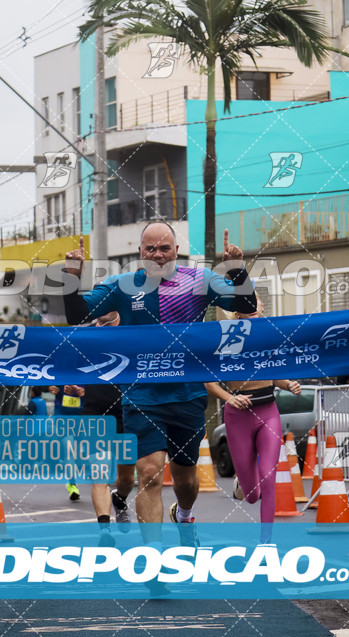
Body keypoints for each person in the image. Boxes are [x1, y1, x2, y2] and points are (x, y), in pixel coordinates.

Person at [64, 223, 257, 561]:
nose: (156, 254)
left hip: (188, 395)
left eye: (164, 248)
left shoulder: (200, 280)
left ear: (176, 250)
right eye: (150, 248)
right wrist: (71, 275)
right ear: (140, 251)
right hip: (141, 396)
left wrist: (238, 270)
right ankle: (153, 559)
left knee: (185, 482)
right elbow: (76, 315)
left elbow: (246, 303)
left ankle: (185, 517)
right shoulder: (123, 284)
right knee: (149, 474)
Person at [205, 304, 301, 541]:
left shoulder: (267, 336)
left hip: (268, 412)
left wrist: (289, 384)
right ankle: (243, 483)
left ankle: (266, 542)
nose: (254, 307)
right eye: (248, 304)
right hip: (238, 417)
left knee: (269, 476)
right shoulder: (227, 339)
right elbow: (209, 381)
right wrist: (230, 397)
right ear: (237, 312)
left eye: (257, 303)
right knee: (251, 495)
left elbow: (275, 375)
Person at [76, 311, 136, 546]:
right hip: (94, 414)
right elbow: (68, 364)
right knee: (100, 475)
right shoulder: (84, 336)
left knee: (126, 478)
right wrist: (69, 383)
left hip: (127, 412)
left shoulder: (133, 330)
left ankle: (119, 499)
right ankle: (104, 531)